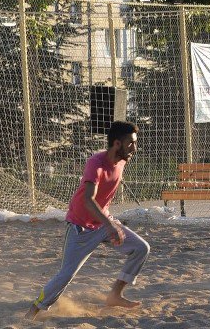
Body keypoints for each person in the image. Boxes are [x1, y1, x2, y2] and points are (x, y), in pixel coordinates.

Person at [25, 121, 150, 318]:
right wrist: (110, 225)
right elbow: (88, 200)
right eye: (131, 143)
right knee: (66, 275)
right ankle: (34, 309)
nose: (135, 148)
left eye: (135, 143)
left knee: (141, 248)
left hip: (103, 222)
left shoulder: (123, 160)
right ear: (117, 144)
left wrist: (108, 223)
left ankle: (115, 294)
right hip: (80, 226)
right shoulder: (96, 163)